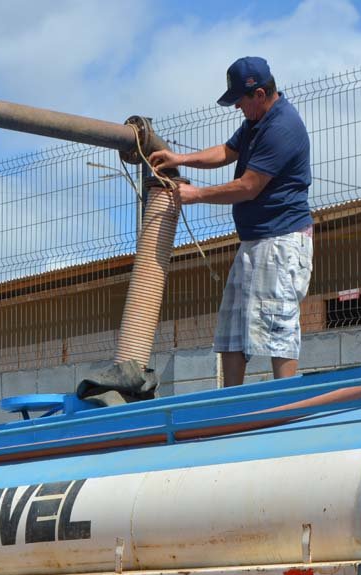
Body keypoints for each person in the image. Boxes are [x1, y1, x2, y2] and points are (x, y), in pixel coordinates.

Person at [149, 56, 312, 385]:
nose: (238, 107)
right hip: (255, 240)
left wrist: (196, 195)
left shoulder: (281, 126)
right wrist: (181, 158)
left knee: (278, 325)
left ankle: (284, 404)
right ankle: (230, 406)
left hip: (281, 241)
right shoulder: (257, 120)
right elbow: (226, 151)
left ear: (260, 95)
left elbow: (249, 187)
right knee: (232, 330)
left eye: (240, 100)